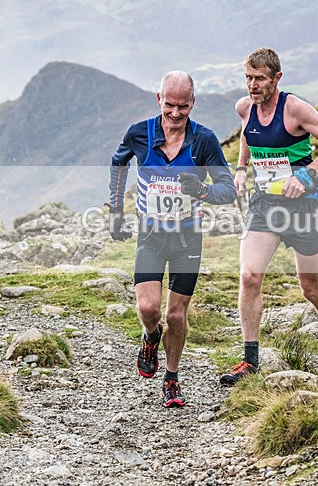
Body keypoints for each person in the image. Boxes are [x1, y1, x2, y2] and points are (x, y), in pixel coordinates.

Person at [220, 47, 318, 386]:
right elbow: (248, 134)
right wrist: (241, 168)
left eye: (260, 79)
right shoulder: (244, 107)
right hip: (265, 205)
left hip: (304, 208)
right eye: (248, 78)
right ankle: (250, 361)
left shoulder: (295, 109)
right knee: (249, 277)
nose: (253, 85)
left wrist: (305, 175)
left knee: (311, 288)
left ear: (277, 78)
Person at [108, 71, 236, 407]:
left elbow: (228, 190)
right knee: (148, 308)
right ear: (159, 99)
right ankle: (151, 336)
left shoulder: (204, 140)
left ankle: (172, 378)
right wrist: (116, 211)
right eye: (170, 105)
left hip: (187, 238)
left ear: (193, 103)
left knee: (176, 316)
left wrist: (203, 190)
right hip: (151, 235)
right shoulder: (139, 133)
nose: (176, 113)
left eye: (183, 106)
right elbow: (118, 163)